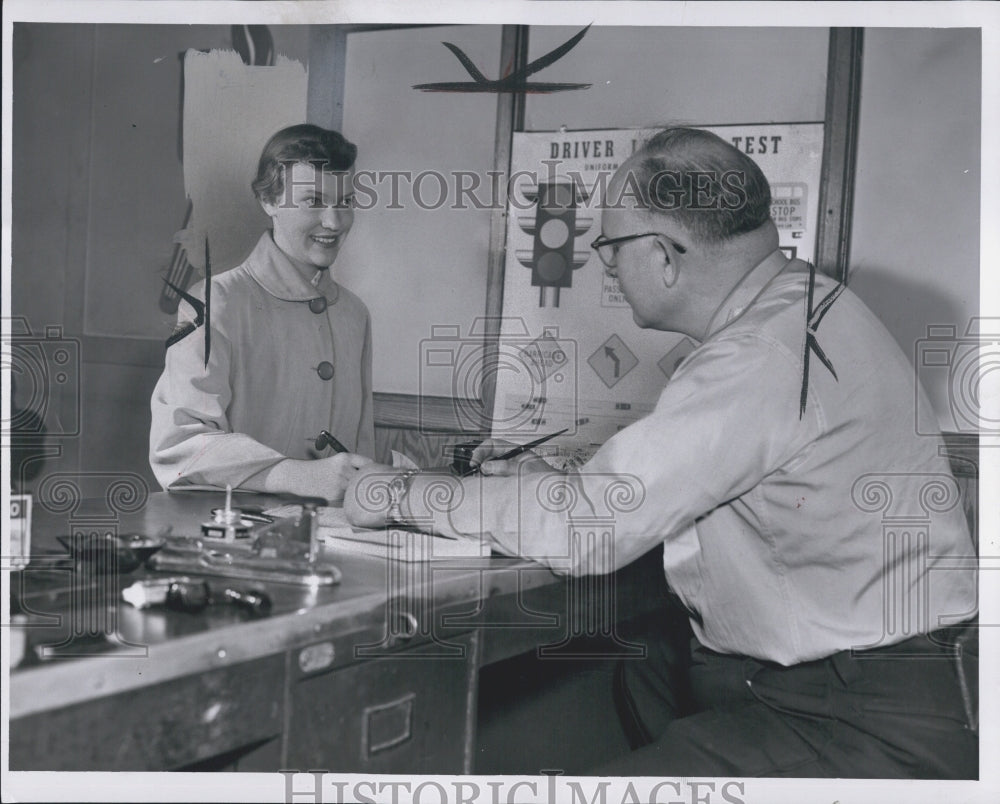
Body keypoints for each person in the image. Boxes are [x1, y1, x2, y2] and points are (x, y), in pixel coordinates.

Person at [345, 127, 979, 777]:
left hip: (855, 720)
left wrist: (397, 493)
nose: (608, 266)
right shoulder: (809, 307)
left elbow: (588, 526)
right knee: (620, 679)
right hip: (856, 681)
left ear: (664, 256)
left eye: (610, 247)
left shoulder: (758, 353)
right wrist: (547, 482)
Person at [150, 124, 375, 502]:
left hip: (334, 540)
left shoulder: (354, 314)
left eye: (346, 202)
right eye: (314, 201)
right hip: (229, 537)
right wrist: (294, 474)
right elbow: (180, 447)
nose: (335, 222)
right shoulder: (212, 303)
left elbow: (361, 454)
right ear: (269, 201)